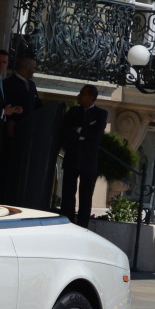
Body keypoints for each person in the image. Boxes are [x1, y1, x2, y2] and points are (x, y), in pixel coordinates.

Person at [60, 84, 108, 226]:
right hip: (72, 158)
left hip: (88, 161)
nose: (79, 96)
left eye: (83, 93)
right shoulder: (73, 111)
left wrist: (79, 130)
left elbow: (96, 135)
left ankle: (82, 226)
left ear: (91, 97)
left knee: (86, 197)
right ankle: (66, 222)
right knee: (68, 194)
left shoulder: (101, 113)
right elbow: (66, 132)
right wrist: (83, 133)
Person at [0, 55, 43, 198]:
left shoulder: (32, 85)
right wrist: (10, 120)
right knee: (8, 165)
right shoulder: (9, 83)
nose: (34, 71)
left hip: (27, 134)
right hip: (13, 133)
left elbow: (36, 105)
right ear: (26, 68)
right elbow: (5, 104)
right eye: (33, 68)